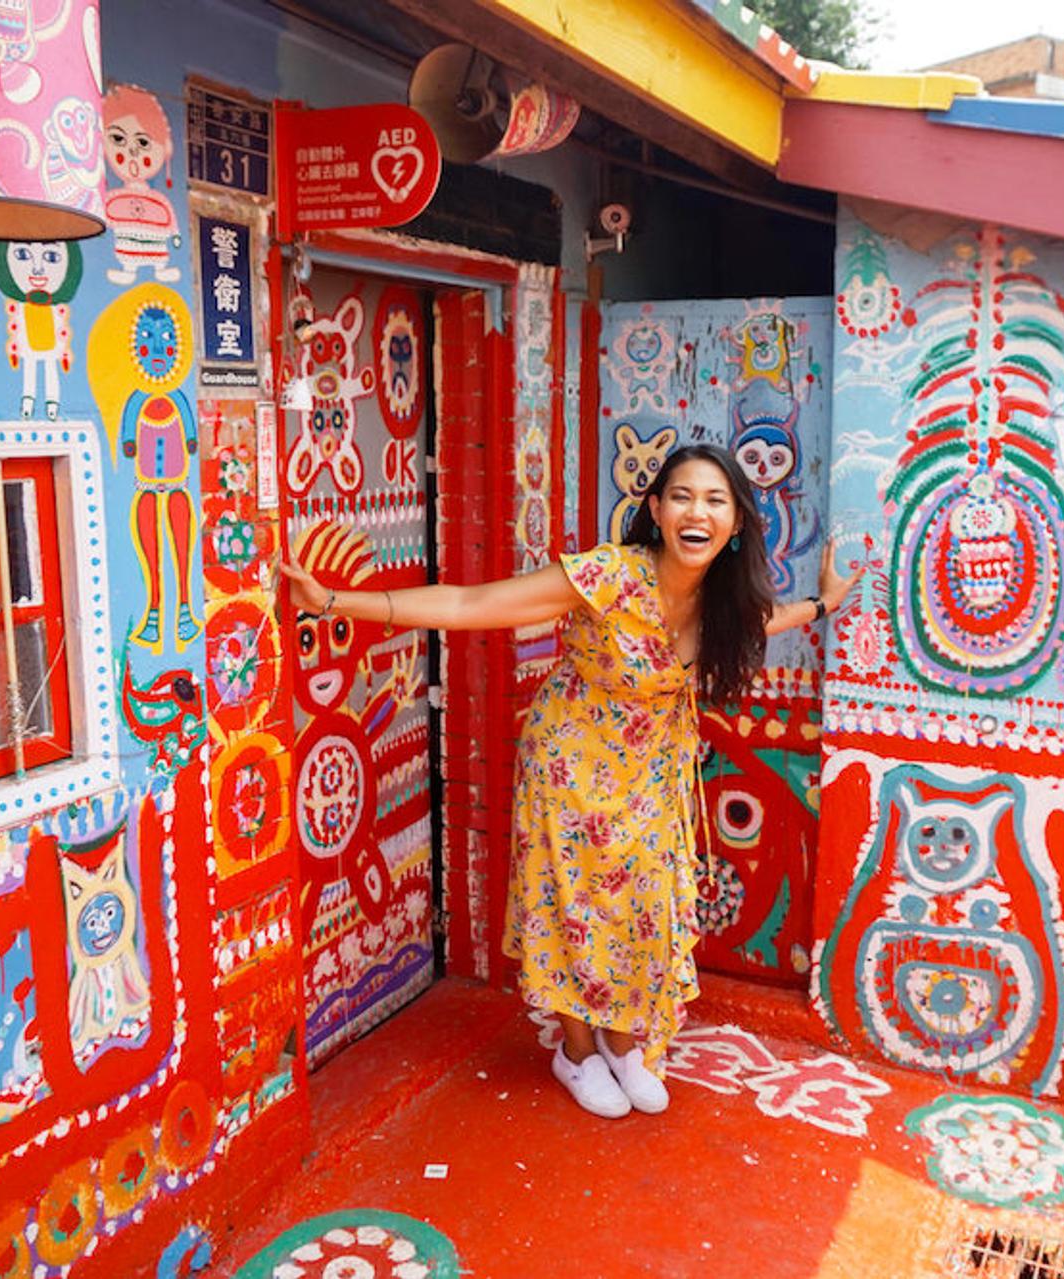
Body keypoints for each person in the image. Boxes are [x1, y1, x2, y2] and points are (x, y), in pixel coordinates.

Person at [281, 442, 861, 1118]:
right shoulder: (609, 575)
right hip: (571, 763)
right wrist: (331, 600)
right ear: (655, 509)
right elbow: (473, 603)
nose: (696, 511)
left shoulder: (727, 599)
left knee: (643, 907)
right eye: (681, 496)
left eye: (715, 499)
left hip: (649, 774)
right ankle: (577, 1049)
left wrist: (821, 606)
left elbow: (768, 618)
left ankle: (621, 1040)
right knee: (574, 899)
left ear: (736, 524)